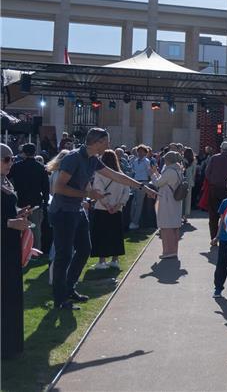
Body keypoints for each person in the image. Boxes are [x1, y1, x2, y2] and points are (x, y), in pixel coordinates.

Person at [50, 128, 157, 310]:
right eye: (107, 141)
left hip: (76, 210)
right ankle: (60, 299)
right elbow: (58, 188)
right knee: (64, 254)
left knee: (85, 250)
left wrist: (143, 187)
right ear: (98, 142)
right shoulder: (73, 158)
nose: (109, 145)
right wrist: (88, 194)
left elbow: (116, 175)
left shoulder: (93, 159)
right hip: (63, 212)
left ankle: (69, 288)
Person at [2, 143, 31, 360]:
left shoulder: (6, 181)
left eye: (11, 158)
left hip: (9, 247)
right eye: (6, 159)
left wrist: (18, 213)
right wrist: (10, 223)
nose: (11, 163)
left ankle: (11, 345)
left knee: (11, 295)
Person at [89, 150, 130, 270]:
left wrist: (107, 205)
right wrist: (118, 205)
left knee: (101, 234)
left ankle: (102, 261)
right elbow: (126, 191)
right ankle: (115, 259)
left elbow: (99, 190)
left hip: (102, 208)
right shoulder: (120, 174)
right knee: (115, 234)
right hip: (117, 208)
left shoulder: (100, 174)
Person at [8, 142, 49, 251]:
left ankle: (20, 249)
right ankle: (36, 251)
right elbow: (45, 187)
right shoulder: (41, 167)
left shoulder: (17, 166)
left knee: (19, 228)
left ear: (24, 153)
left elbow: (6, 177)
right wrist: (45, 200)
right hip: (36, 202)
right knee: (36, 229)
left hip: (20, 201)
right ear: (35, 152)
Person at [153, 151, 185, 259]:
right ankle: (173, 250)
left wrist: (152, 174)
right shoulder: (178, 170)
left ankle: (168, 251)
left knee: (166, 227)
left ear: (168, 160)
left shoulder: (170, 171)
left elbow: (158, 183)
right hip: (174, 200)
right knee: (174, 226)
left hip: (167, 200)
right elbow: (163, 180)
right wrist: (157, 173)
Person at [128, 145, 153, 230]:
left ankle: (135, 222)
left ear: (145, 153)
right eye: (139, 151)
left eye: (142, 151)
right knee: (132, 202)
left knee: (139, 203)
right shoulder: (135, 161)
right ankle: (132, 220)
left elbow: (149, 173)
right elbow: (132, 171)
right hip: (135, 182)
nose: (140, 153)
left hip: (143, 182)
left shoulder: (146, 161)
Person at [181, 147, 196, 224]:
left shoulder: (182, 160)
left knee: (181, 198)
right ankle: (186, 216)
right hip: (189, 181)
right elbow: (194, 172)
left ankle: (181, 214)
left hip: (182, 181)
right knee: (188, 199)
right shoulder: (194, 161)